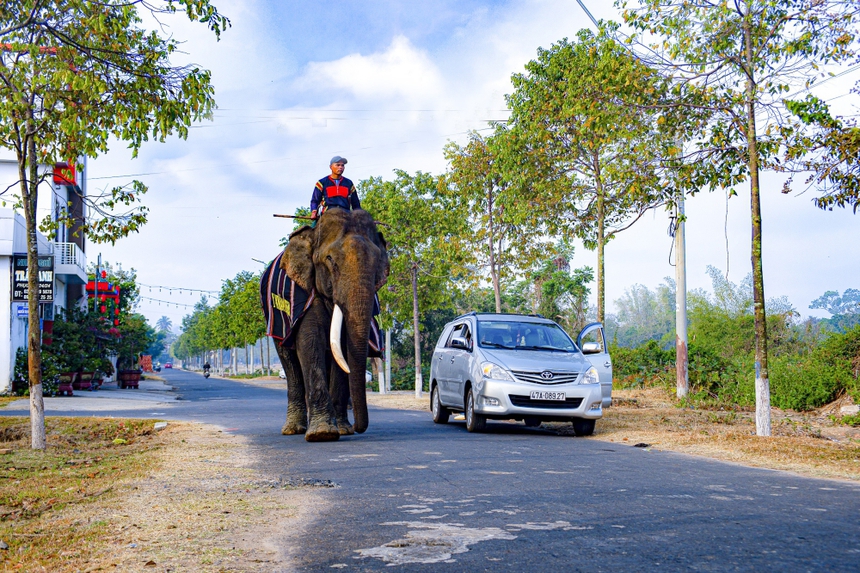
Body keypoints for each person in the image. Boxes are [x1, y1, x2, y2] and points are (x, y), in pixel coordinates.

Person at [310, 156, 361, 221]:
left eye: (342, 165)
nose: (340, 167)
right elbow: (315, 200)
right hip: (328, 215)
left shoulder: (349, 183)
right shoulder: (322, 182)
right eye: (337, 165)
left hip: (346, 215)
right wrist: (314, 212)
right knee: (313, 229)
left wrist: (359, 215)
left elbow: (355, 202)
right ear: (331, 167)